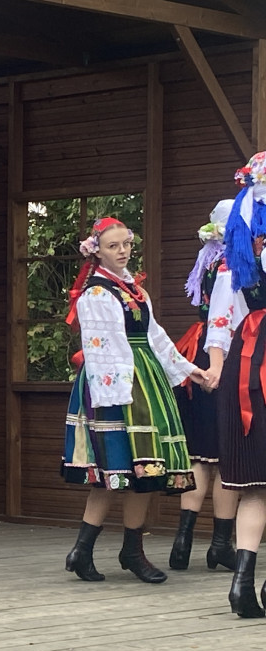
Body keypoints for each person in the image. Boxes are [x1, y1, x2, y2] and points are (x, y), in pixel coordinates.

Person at [62, 217, 206, 585]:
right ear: (98, 252)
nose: (122, 251)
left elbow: (155, 336)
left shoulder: (134, 291)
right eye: (113, 246)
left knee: (145, 470)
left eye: (125, 244)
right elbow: (102, 349)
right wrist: (116, 396)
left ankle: (127, 550)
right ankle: (87, 550)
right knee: (115, 473)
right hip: (114, 384)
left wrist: (189, 370)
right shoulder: (96, 293)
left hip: (144, 378)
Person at [167, 200, 239, 571]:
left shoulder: (207, 257)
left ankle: (182, 544)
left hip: (197, 351)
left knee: (200, 455)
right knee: (226, 458)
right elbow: (224, 321)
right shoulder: (233, 263)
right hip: (224, 356)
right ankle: (219, 545)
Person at [214, 151, 266, 617]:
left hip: (247, 357)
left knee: (255, 486)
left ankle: (241, 584)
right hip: (260, 360)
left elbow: (221, 321)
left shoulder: (238, 254)